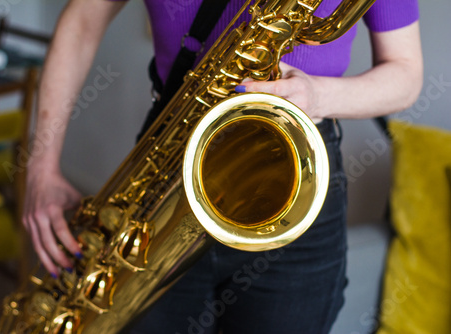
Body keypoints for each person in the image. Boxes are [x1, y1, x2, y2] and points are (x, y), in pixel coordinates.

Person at [22, 0, 423, 333]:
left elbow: (406, 75)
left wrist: (317, 95)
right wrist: (40, 167)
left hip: (297, 172)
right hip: (167, 159)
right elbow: (81, 21)